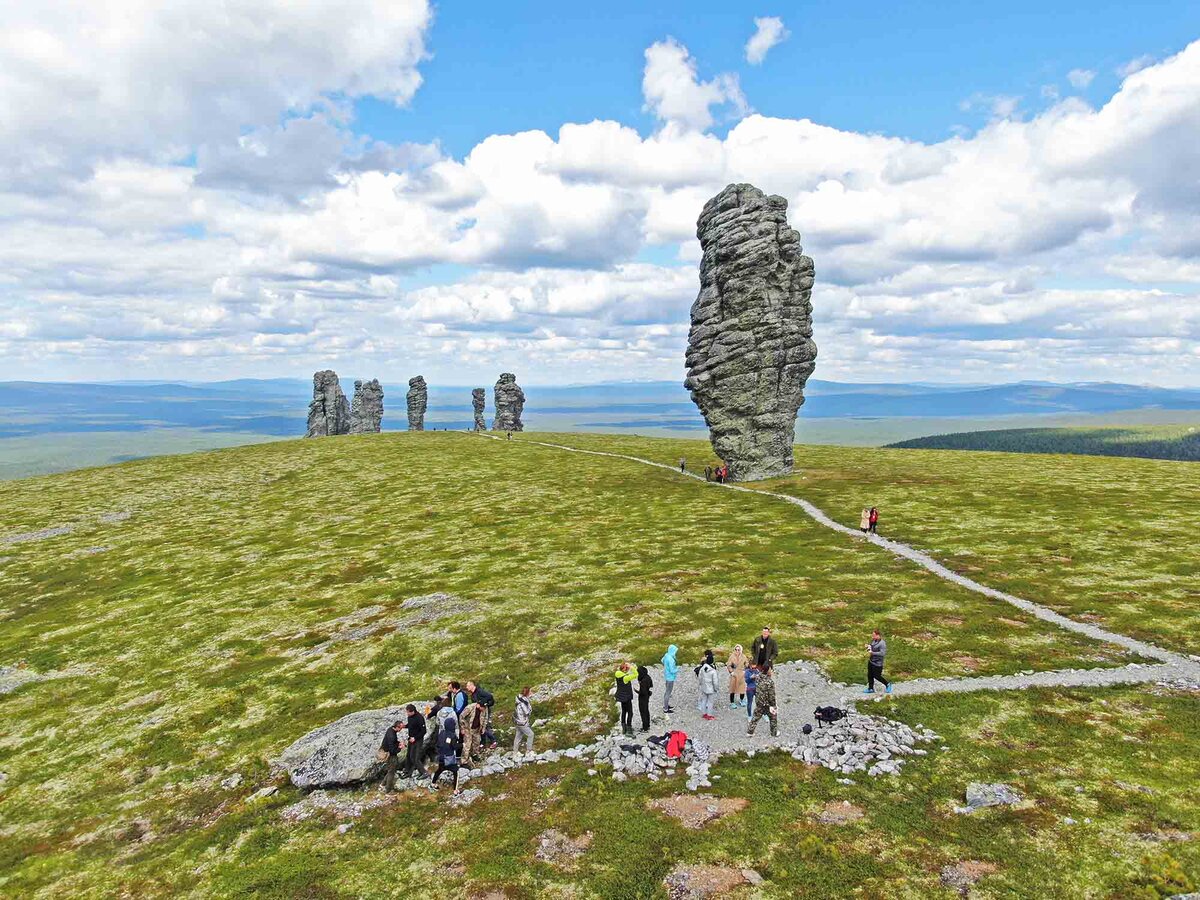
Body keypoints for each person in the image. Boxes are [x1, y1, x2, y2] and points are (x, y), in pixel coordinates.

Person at [430, 713, 461, 794]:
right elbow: (455, 747)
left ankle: (433, 783)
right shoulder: (453, 735)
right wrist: (462, 744)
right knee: (456, 771)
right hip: (449, 758)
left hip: (441, 757)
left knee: (440, 770)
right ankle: (455, 790)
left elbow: (437, 744)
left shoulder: (441, 733)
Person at [746, 662, 778, 736]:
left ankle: (750, 732)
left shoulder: (758, 677)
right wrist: (773, 705)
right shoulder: (770, 682)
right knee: (773, 717)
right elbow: (771, 695)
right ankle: (774, 733)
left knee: (755, 717)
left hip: (759, 701)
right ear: (768, 670)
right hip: (767, 703)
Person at [467, 680, 496, 748]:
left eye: (468, 686)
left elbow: (489, 696)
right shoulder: (472, 695)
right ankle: (483, 743)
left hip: (485, 711)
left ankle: (493, 741)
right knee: (480, 726)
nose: (467, 687)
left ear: (472, 685)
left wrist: (482, 704)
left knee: (485, 726)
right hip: (479, 712)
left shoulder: (479, 691)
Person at [402, 704, 426, 777]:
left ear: (412, 711)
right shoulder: (410, 717)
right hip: (411, 738)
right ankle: (407, 771)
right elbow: (411, 725)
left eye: (408, 712)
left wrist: (415, 738)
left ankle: (424, 772)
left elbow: (424, 731)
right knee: (409, 756)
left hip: (418, 740)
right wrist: (405, 726)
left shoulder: (419, 718)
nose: (407, 713)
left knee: (415, 757)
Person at [865, 629, 892, 693]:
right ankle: (870, 688)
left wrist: (872, 653)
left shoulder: (882, 643)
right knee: (870, 675)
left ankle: (887, 684)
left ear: (878, 635)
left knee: (877, 676)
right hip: (871, 661)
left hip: (878, 663)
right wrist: (868, 646)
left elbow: (882, 653)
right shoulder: (874, 640)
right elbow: (872, 646)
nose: (872, 637)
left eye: (874, 635)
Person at [380, 720, 404, 791]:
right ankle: (388, 789)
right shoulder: (392, 736)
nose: (401, 730)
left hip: (386, 751)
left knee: (390, 770)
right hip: (391, 755)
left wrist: (398, 743)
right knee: (391, 772)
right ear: (397, 727)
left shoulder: (390, 729)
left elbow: (392, 743)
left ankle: (382, 784)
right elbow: (392, 750)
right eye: (400, 728)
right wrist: (400, 748)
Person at [613, 662, 636, 735]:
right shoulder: (626, 678)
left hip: (621, 697)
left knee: (624, 711)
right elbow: (636, 674)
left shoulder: (617, 674)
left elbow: (624, 672)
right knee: (630, 712)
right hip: (627, 697)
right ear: (625, 670)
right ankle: (629, 729)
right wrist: (631, 667)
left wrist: (626, 668)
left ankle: (624, 727)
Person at [695, 650, 718, 720]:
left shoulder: (702, 668)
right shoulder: (713, 671)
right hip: (710, 689)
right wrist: (716, 689)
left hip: (704, 687)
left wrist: (701, 684)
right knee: (710, 702)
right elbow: (715, 682)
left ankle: (704, 713)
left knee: (704, 700)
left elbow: (700, 677)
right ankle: (709, 715)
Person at [513, 686, 534, 753]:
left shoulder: (518, 698)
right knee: (531, 734)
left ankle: (515, 751)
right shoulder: (524, 702)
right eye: (530, 691)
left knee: (518, 736)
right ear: (527, 692)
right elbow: (527, 712)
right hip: (522, 721)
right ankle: (529, 750)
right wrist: (530, 709)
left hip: (517, 720)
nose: (531, 693)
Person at [726, 644, 747, 709]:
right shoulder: (731, 656)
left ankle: (741, 700)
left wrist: (745, 670)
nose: (737, 651)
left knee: (742, 688)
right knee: (732, 688)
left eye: (738, 649)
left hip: (741, 673)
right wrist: (731, 672)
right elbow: (728, 665)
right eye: (736, 649)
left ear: (741, 650)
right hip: (734, 674)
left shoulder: (743, 656)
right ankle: (732, 702)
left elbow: (747, 663)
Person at [661, 644, 679, 713]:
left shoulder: (666, 655)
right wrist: (677, 669)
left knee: (667, 691)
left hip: (666, 676)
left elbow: (662, 660)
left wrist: (666, 667)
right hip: (670, 678)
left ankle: (666, 705)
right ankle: (666, 709)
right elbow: (672, 670)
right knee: (668, 693)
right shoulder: (671, 659)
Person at [635, 664, 653, 731]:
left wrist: (637, 691)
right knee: (646, 710)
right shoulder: (648, 677)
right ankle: (648, 725)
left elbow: (643, 692)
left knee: (643, 711)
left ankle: (645, 727)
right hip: (647, 697)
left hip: (643, 698)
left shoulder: (643, 681)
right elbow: (651, 686)